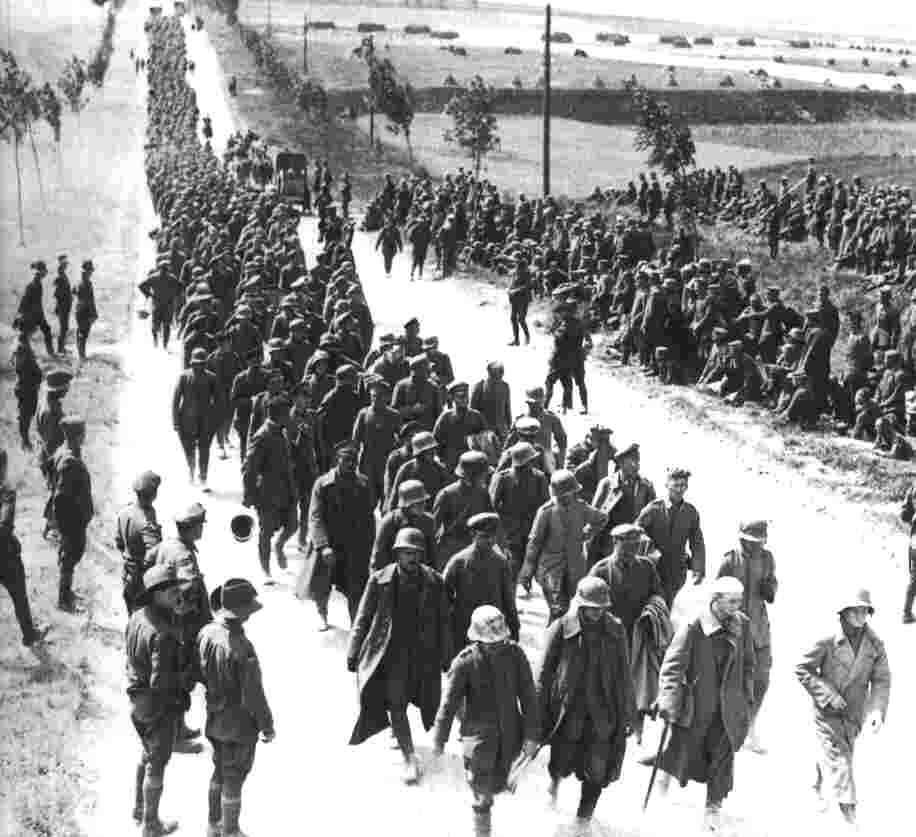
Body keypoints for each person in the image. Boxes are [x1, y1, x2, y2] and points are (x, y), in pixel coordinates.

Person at [347, 528, 450, 784]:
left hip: (423, 654)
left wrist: (447, 655)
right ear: (397, 554)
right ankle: (409, 757)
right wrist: (353, 650)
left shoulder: (434, 581)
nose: (412, 558)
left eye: (416, 553)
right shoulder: (379, 580)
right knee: (396, 703)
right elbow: (363, 618)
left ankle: (402, 733)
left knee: (425, 701)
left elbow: (444, 621)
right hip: (389, 654)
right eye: (406, 553)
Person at [653, 576, 756, 831]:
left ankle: (713, 807)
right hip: (697, 704)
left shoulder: (742, 624)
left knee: (722, 754)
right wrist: (667, 699)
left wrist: (746, 695)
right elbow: (672, 666)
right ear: (716, 600)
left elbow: (749, 663)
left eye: (739, 601)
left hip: (728, 706)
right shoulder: (694, 626)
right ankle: (663, 782)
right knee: (679, 747)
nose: (737, 606)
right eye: (731, 601)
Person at [535, 577, 636, 830]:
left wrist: (628, 713)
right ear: (579, 605)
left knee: (598, 767)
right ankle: (555, 782)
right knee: (562, 754)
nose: (597, 612)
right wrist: (536, 711)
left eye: (601, 608)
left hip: (603, 710)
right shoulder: (561, 627)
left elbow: (624, 673)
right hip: (569, 708)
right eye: (592, 607)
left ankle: (584, 817)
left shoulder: (616, 630)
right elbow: (544, 672)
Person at [432, 605, 539, 837]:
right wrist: (439, 740)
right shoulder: (464, 662)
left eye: (499, 641)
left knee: (498, 785)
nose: (495, 646)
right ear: (478, 639)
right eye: (490, 643)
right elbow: (448, 705)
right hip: (477, 739)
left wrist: (532, 736)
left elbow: (529, 697)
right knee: (481, 794)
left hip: (509, 734)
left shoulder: (516, 656)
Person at [795, 588, 890, 827]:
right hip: (827, 712)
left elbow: (881, 679)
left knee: (838, 754)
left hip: (854, 713)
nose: (861, 615)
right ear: (844, 612)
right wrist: (828, 694)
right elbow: (802, 669)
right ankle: (849, 816)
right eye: (855, 610)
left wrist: (877, 710)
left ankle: (816, 784)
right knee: (841, 760)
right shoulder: (827, 639)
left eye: (865, 610)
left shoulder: (875, 643)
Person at [198, 579, 275, 837]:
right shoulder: (242, 648)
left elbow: (197, 671)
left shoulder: (206, 633)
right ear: (239, 610)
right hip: (238, 724)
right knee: (234, 777)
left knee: (219, 770)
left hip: (214, 716)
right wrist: (267, 726)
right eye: (248, 609)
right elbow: (254, 695)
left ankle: (213, 824)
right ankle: (230, 831)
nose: (251, 614)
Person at [126, 564, 185, 836]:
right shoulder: (162, 633)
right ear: (157, 594)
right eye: (173, 590)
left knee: (147, 754)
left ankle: (139, 809)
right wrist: (177, 701)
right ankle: (151, 825)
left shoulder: (138, 616)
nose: (178, 594)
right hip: (156, 705)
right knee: (157, 763)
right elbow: (160, 682)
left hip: (137, 701)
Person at [151, 502, 212, 753]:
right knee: (180, 681)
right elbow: (188, 589)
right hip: (183, 630)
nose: (202, 530)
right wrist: (188, 615)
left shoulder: (167, 544)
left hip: (170, 622)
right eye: (200, 526)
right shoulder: (184, 556)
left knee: (179, 679)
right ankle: (174, 737)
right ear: (192, 527)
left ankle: (180, 726)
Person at [717, 520, 777, 754]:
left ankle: (751, 727)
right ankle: (727, 729)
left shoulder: (767, 558)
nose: (755, 547)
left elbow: (772, 583)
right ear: (742, 539)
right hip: (734, 630)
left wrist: (769, 589)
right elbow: (716, 596)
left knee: (761, 680)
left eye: (760, 542)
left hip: (759, 630)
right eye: (751, 542)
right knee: (730, 680)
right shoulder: (730, 560)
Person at [518, 470, 607, 623]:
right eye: (564, 495)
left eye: (570, 494)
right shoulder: (546, 512)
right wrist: (526, 575)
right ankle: (553, 641)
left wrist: (588, 533)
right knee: (558, 611)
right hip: (551, 570)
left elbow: (601, 518)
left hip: (575, 569)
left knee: (576, 609)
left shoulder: (580, 508)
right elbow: (534, 544)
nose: (568, 498)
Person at [307, 441, 376, 629]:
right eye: (346, 460)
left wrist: (370, 547)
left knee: (357, 587)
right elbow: (315, 517)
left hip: (355, 545)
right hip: (329, 544)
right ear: (337, 461)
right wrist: (323, 546)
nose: (351, 464)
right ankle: (322, 614)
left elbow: (369, 517)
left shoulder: (363, 483)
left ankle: (356, 624)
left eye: (354, 461)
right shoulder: (322, 484)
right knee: (322, 585)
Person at [442, 513, 519, 657]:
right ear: (473, 535)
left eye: (493, 536)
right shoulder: (458, 562)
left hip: (493, 629)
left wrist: (514, 627)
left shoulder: (501, 563)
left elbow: (508, 599)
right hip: (465, 628)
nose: (490, 541)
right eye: (484, 536)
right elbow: (444, 596)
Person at [243, 395, 298, 584]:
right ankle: (265, 570)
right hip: (267, 493)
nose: (290, 415)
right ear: (280, 414)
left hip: (287, 489)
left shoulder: (282, 432)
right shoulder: (262, 435)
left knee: (292, 526)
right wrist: (249, 495)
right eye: (287, 413)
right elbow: (249, 468)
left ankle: (280, 546)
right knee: (265, 532)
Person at [636, 466, 706, 606]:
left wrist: (698, 569)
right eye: (676, 485)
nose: (680, 489)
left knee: (667, 605)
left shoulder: (690, 512)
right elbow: (637, 531)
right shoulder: (654, 508)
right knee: (649, 604)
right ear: (667, 485)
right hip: (653, 567)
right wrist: (651, 550)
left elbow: (697, 542)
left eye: (683, 485)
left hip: (676, 571)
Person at [0, 447, 48, 647]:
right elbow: (4, 527)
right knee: (19, 596)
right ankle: (29, 635)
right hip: (5, 556)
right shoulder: (6, 493)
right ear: (2, 467)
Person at [50, 415, 93, 611]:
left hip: (72, 517)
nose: (85, 436)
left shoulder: (64, 451)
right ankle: (63, 601)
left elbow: (47, 469)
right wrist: (65, 524)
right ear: (77, 436)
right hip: (71, 520)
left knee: (69, 556)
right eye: (83, 432)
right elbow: (60, 496)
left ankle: (67, 592)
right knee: (71, 555)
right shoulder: (69, 461)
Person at [489, 442, 549, 583]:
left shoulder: (539, 477)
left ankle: (524, 582)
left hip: (532, 528)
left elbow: (545, 506)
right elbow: (492, 505)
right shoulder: (502, 478)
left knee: (529, 561)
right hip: (511, 531)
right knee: (513, 564)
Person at [589, 442, 656, 564]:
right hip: (609, 543)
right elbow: (594, 514)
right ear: (620, 463)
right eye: (632, 461)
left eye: (638, 461)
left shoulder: (645, 486)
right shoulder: (607, 484)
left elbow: (653, 516)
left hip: (634, 542)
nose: (636, 466)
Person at [433, 451, 493, 570]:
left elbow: (491, 519)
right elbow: (433, 527)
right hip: (451, 549)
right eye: (482, 475)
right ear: (472, 476)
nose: (485, 478)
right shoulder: (446, 494)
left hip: (476, 547)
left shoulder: (483, 493)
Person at [116, 471, 164, 614]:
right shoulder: (146, 520)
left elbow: (118, 542)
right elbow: (156, 554)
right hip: (142, 580)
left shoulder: (124, 511)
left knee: (134, 620)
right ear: (154, 494)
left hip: (127, 574)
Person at [172, 347, 220, 489]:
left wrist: (216, 421)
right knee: (189, 449)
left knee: (204, 449)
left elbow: (218, 401)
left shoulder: (212, 378)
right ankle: (191, 471)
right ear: (191, 363)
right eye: (196, 364)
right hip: (187, 420)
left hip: (206, 420)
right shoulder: (184, 377)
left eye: (201, 364)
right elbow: (176, 400)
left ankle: (203, 477)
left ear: (205, 364)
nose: (198, 367)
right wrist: (175, 421)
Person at [352, 377, 402, 508]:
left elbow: (401, 439)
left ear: (386, 397)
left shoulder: (394, 415)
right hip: (368, 464)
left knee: (387, 502)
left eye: (379, 396)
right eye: (373, 396)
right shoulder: (363, 414)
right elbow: (356, 440)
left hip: (386, 464)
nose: (375, 399)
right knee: (367, 503)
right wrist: (354, 461)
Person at [371, 480, 437, 571]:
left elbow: (432, 556)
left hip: (420, 576)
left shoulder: (428, 522)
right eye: (418, 503)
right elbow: (378, 558)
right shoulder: (389, 522)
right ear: (407, 504)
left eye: (424, 501)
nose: (423, 505)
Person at [433, 381, 487, 471]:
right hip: (451, 464)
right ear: (452, 398)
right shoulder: (445, 417)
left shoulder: (477, 416)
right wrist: (440, 459)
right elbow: (435, 441)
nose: (464, 400)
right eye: (460, 397)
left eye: (466, 396)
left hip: (472, 463)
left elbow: (486, 441)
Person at [11, 329, 43, 449]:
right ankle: (25, 441)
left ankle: (25, 440)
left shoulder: (19, 347)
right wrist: (37, 372)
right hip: (27, 387)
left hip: (25, 386)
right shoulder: (22, 348)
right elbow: (28, 368)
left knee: (26, 414)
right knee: (25, 415)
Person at [17, 260, 55, 356]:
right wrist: (20, 315)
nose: (45, 273)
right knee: (25, 336)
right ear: (40, 272)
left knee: (44, 331)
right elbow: (24, 301)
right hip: (31, 315)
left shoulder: (37, 283)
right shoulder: (33, 284)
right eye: (43, 271)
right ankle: (21, 355)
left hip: (37, 314)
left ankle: (50, 353)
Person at [470, 361, 512, 441]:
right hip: (484, 432)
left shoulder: (505, 386)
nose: (498, 377)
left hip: (501, 432)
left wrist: (509, 426)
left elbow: (507, 409)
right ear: (489, 373)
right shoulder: (479, 387)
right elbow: (472, 412)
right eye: (495, 376)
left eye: (500, 374)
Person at [74, 259, 99, 362]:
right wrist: (94, 314)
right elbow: (90, 300)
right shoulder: (87, 283)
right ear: (88, 271)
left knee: (80, 331)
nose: (91, 273)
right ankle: (82, 356)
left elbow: (74, 291)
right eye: (90, 271)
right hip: (85, 311)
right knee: (84, 333)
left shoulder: (78, 282)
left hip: (79, 309)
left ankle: (80, 354)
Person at [53, 254, 72, 354]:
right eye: (64, 264)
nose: (66, 265)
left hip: (64, 306)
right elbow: (58, 294)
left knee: (64, 327)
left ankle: (61, 348)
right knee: (63, 328)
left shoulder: (63, 275)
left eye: (66, 264)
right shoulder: (60, 276)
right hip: (63, 306)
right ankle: (60, 349)